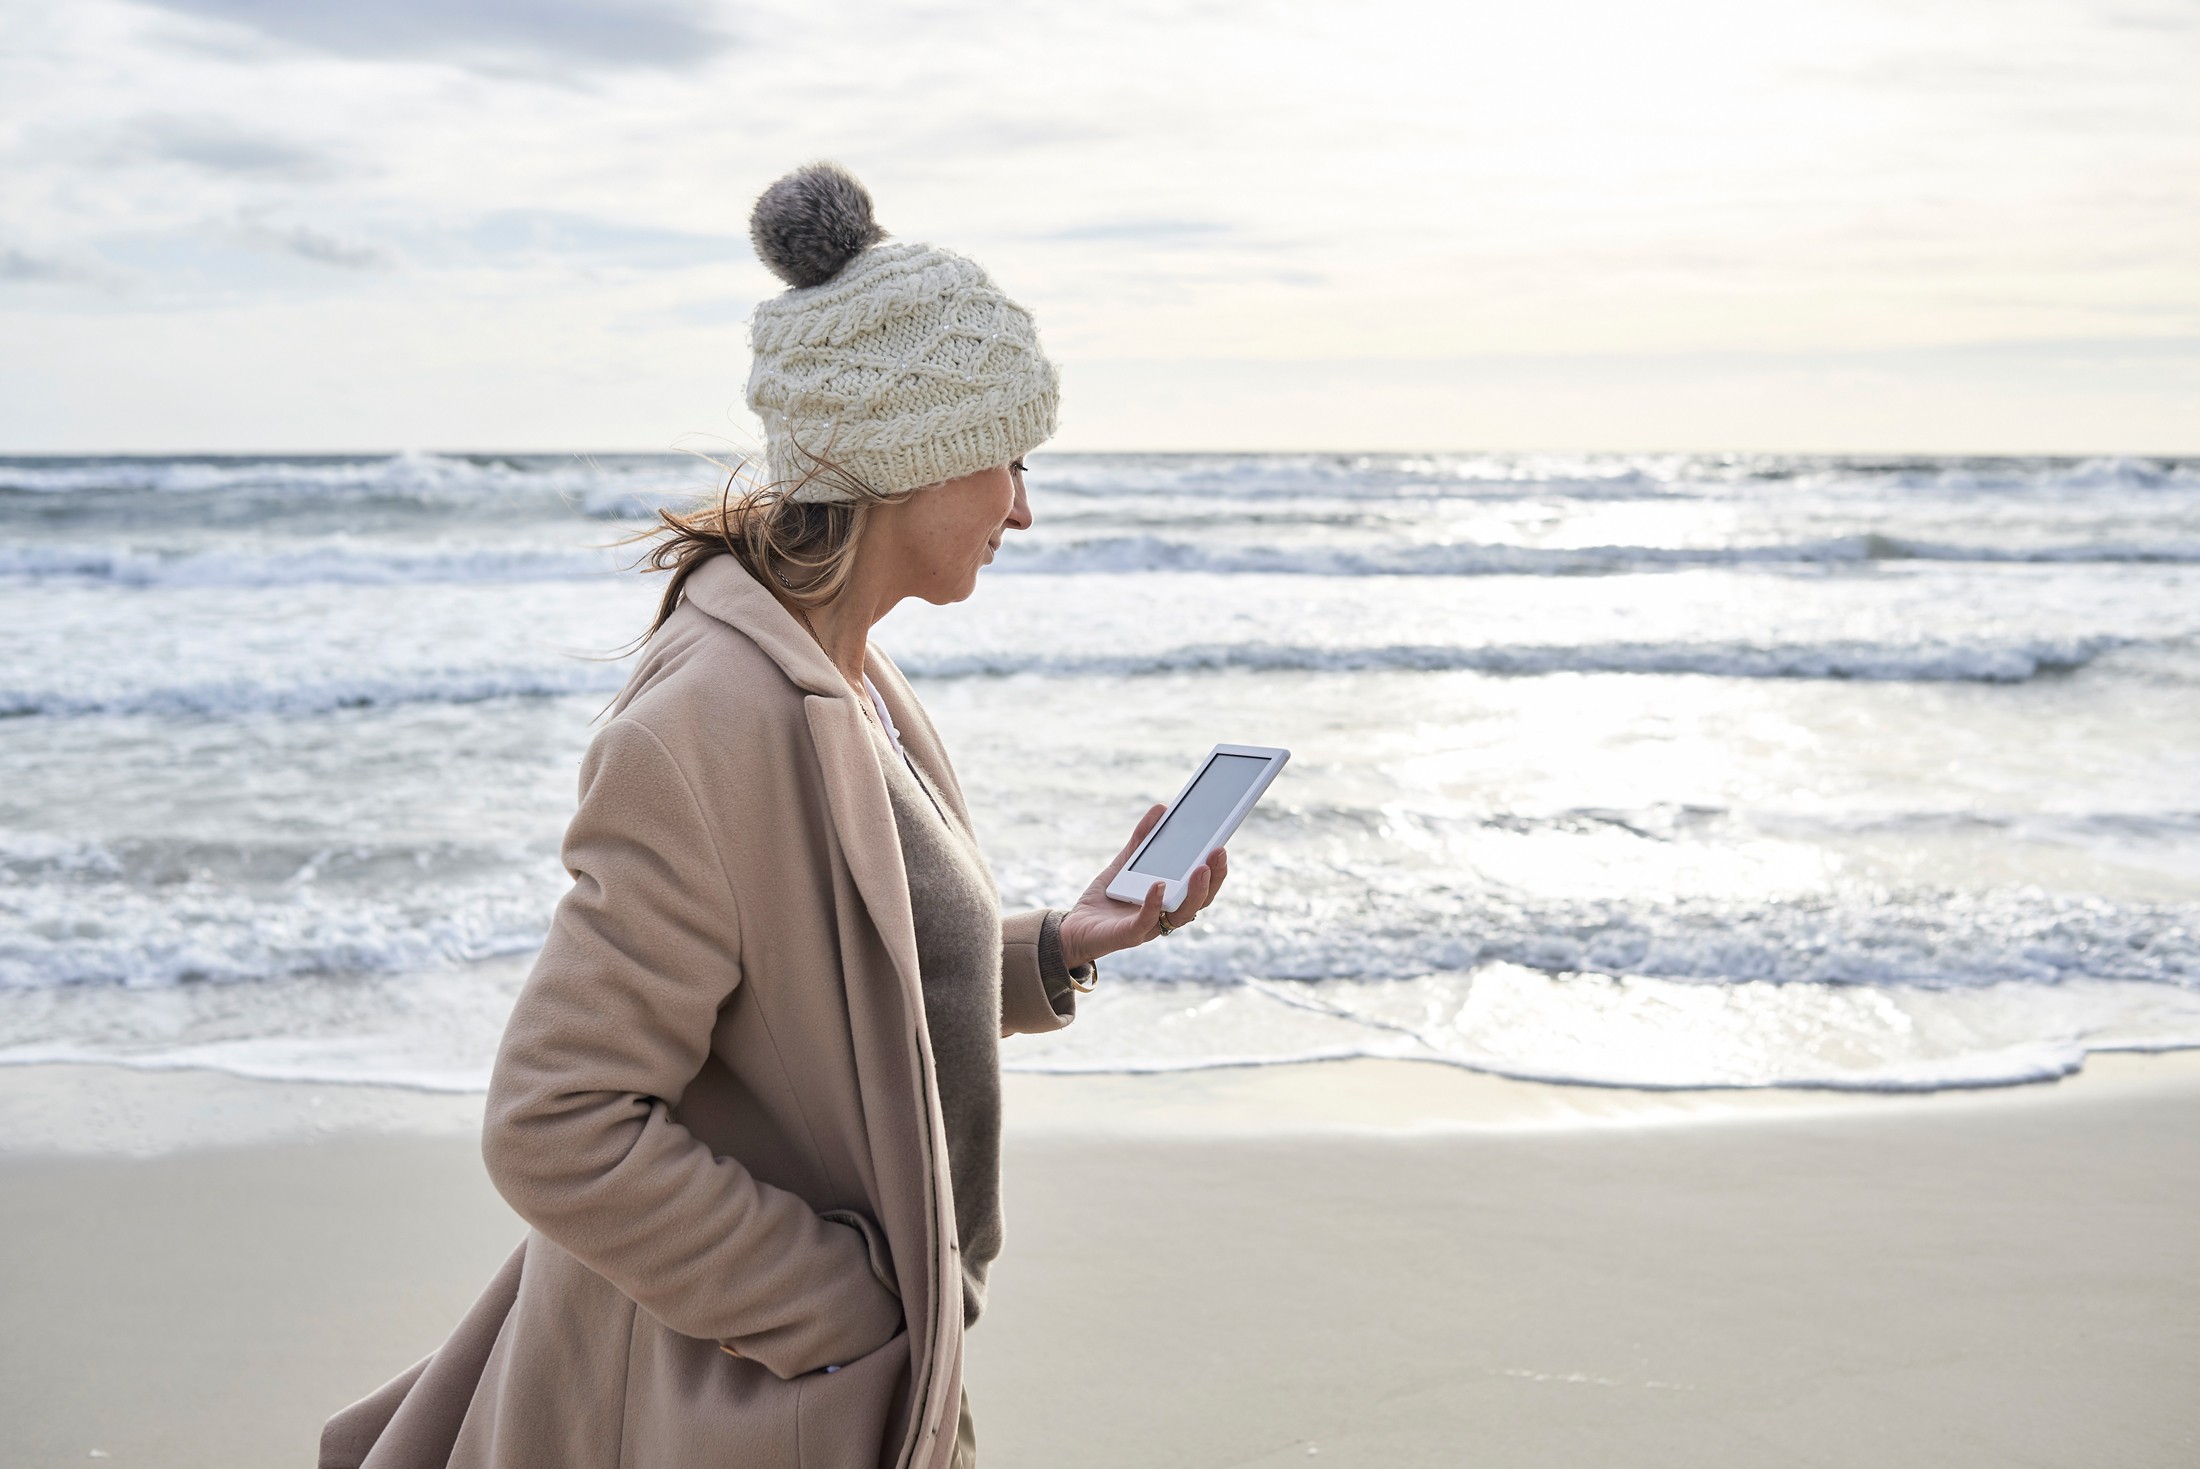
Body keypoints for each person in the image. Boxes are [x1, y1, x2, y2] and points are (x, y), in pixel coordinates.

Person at [319, 162, 1230, 1469]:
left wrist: (1053, 948)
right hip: (751, 1405)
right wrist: (842, 1309)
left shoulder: (846, 673)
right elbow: (556, 1121)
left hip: (862, 1381)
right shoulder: (710, 719)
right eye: (1009, 459)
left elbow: (833, 979)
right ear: (907, 461)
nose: (1025, 506)